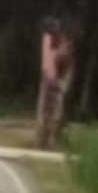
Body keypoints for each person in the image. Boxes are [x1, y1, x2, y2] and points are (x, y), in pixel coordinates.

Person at [36, 16, 76, 149]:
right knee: (44, 110)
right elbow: (47, 65)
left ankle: (52, 139)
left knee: (57, 112)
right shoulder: (47, 39)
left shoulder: (65, 43)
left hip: (60, 78)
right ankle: (42, 139)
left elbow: (68, 66)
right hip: (49, 77)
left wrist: (63, 85)